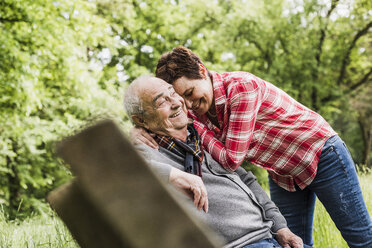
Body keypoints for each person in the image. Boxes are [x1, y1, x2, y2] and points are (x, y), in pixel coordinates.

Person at [133, 46, 372, 248]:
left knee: (360, 238)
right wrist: (138, 131)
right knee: (295, 242)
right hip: (282, 171)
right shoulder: (200, 110)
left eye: (190, 93)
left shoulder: (241, 88)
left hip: (319, 155)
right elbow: (159, 118)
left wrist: (197, 125)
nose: (188, 104)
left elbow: (231, 160)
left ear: (202, 71)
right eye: (181, 98)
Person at [124, 75, 306, 248]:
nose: (175, 102)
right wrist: (175, 175)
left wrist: (281, 228)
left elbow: (247, 181)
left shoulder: (202, 137)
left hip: (269, 236)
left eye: (173, 93)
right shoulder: (145, 152)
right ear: (140, 120)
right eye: (161, 101)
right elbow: (121, 173)